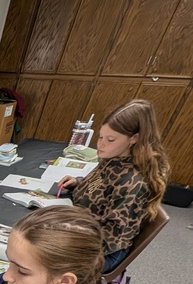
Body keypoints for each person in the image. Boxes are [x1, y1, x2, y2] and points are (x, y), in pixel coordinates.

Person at [57, 99, 170, 272]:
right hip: (81, 228)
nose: (100, 144)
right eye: (100, 136)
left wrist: (66, 238)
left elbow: (112, 239)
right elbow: (99, 184)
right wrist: (78, 183)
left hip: (103, 251)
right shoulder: (113, 158)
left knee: (41, 257)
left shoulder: (133, 183)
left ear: (134, 138)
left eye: (110, 139)